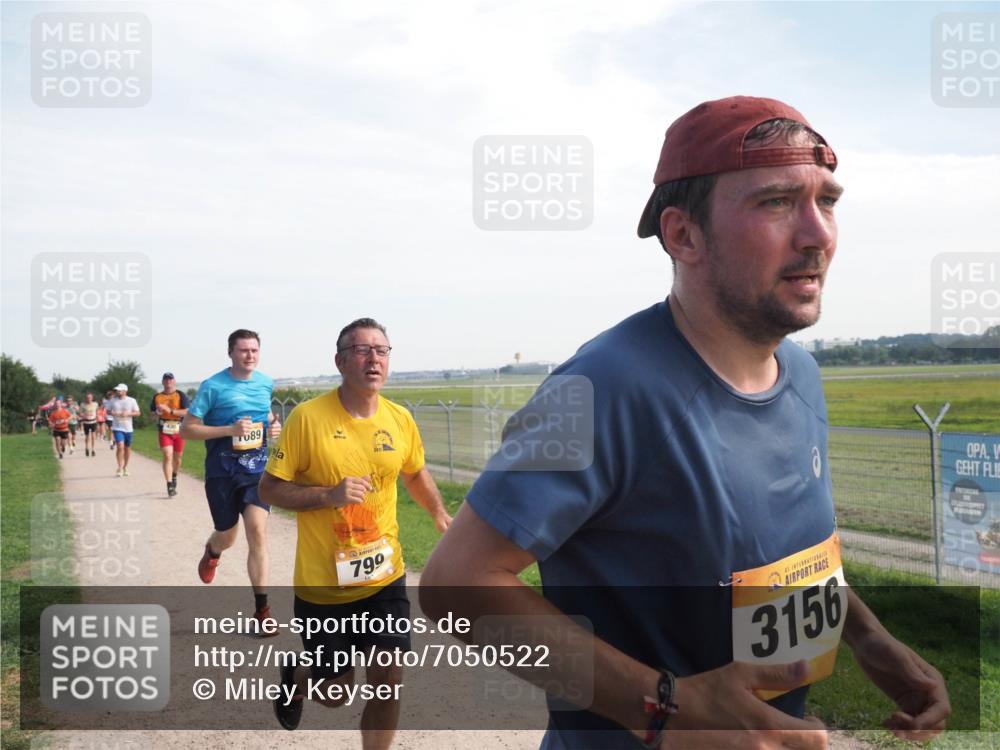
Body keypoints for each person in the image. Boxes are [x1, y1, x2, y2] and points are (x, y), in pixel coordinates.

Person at [421, 96, 950, 749]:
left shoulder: (803, 376)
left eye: (828, 201)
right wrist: (665, 709)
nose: (818, 234)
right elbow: (457, 585)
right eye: (777, 202)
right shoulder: (603, 389)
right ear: (683, 235)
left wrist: (872, 643)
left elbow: (789, 559)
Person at [259, 317, 452, 743]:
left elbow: (415, 473)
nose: (373, 359)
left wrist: (439, 514)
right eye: (362, 350)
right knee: (335, 693)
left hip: (385, 577)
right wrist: (328, 496)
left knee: (388, 682)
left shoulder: (399, 419)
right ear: (341, 361)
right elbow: (269, 488)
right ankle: (301, 675)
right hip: (324, 587)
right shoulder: (308, 419)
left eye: (381, 350)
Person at [181, 329, 282, 628]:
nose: (249, 356)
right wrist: (228, 430)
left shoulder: (265, 383)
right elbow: (188, 429)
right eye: (243, 351)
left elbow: (266, 417)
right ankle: (213, 551)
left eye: (254, 350)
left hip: (256, 472)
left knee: (258, 533)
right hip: (221, 473)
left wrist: (273, 427)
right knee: (227, 535)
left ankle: (263, 612)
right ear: (231, 353)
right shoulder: (213, 386)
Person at [151, 372, 190, 497]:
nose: (168, 382)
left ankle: (174, 476)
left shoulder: (180, 395)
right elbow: (151, 415)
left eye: (170, 379)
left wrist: (170, 410)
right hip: (164, 429)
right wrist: (157, 412)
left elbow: (187, 412)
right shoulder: (157, 397)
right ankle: (169, 486)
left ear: (174, 381)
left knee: (177, 458)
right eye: (166, 379)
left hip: (179, 430)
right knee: (168, 455)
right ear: (162, 382)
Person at [109, 384, 141, 477]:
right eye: (117, 390)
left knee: (127, 448)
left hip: (128, 428)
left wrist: (128, 413)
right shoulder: (113, 400)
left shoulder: (131, 400)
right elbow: (107, 411)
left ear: (125, 391)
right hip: (117, 427)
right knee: (120, 446)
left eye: (120, 390)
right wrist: (113, 413)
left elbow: (138, 412)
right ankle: (119, 467)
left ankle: (125, 467)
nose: (118, 392)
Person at [80, 392, 99, 456]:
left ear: (92, 398)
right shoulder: (83, 404)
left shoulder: (95, 404)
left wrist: (98, 419)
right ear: (86, 398)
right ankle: (87, 448)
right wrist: (83, 415)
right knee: (87, 437)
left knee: (93, 436)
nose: (89, 399)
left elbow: (97, 412)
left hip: (93, 421)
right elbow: (81, 413)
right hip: (86, 422)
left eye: (90, 398)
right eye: (87, 398)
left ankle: (93, 449)